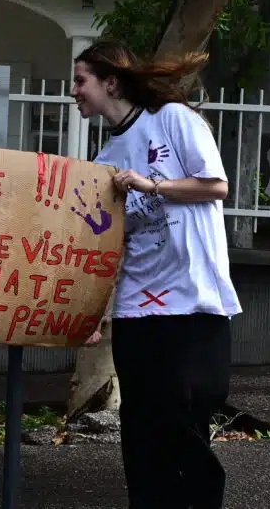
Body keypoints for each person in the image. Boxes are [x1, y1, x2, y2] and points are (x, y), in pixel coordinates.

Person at [70, 40, 242, 509]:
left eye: (80, 80)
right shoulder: (106, 157)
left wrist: (151, 183)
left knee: (182, 420)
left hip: (191, 301)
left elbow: (216, 186)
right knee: (141, 431)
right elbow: (111, 247)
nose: (74, 91)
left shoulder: (172, 120)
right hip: (136, 308)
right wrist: (94, 314)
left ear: (110, 81)